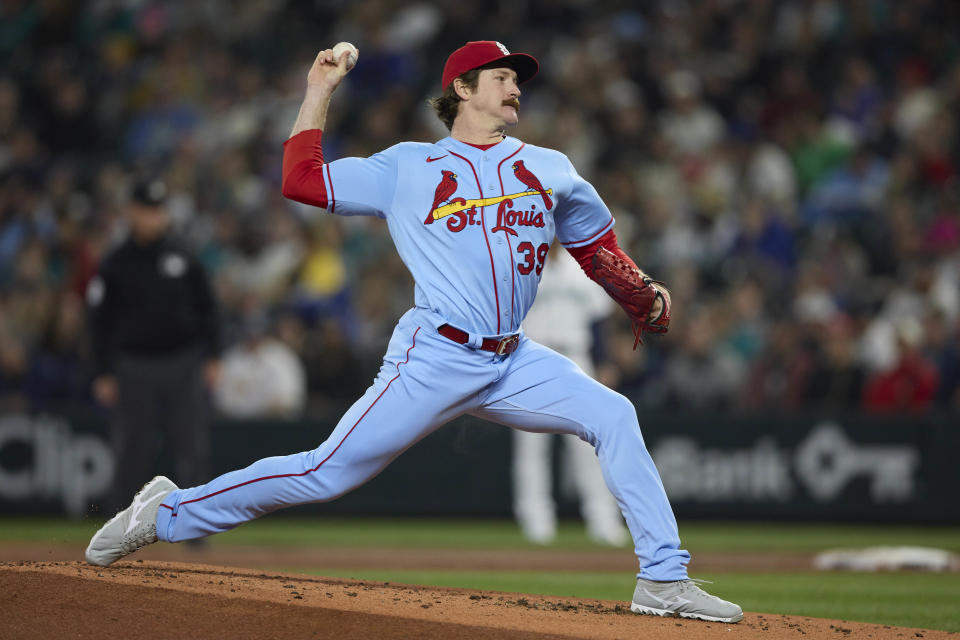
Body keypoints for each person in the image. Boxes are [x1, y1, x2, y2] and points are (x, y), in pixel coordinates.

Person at [85, 41, 743, 624]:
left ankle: (662, 578)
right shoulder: (408, 168)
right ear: (460, 89)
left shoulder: (549, 167)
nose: (515, 85)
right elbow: (299, 180)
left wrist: (640, 291)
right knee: (323, 473)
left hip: (514, 359)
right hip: (434, 356)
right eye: (499, 75)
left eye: (517, 76)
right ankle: (165, 515)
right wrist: (318, 91)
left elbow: (596, 246)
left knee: (614, 413)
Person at [86, 177, 221, 513]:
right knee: (133, 448)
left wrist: (214, 356)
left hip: (182, 362)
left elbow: (209, 309)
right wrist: (101, 371)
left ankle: (195, 523)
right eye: (147, 209)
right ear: (131, 212)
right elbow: (97, 323)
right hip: (134, 366)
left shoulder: (183, 255)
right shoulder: (116, 263)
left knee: (190, 446)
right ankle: (120, 520)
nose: (154, 217)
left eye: (158, 210)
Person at [513, 245, 629, 546]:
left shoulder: (581, 266)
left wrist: (604, 361)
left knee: (588, 444)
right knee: (531, 445)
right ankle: (535, 519)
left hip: (575, 355)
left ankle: (602, 519)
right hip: (531, 357)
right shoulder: (523, 262)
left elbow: (599, 319)